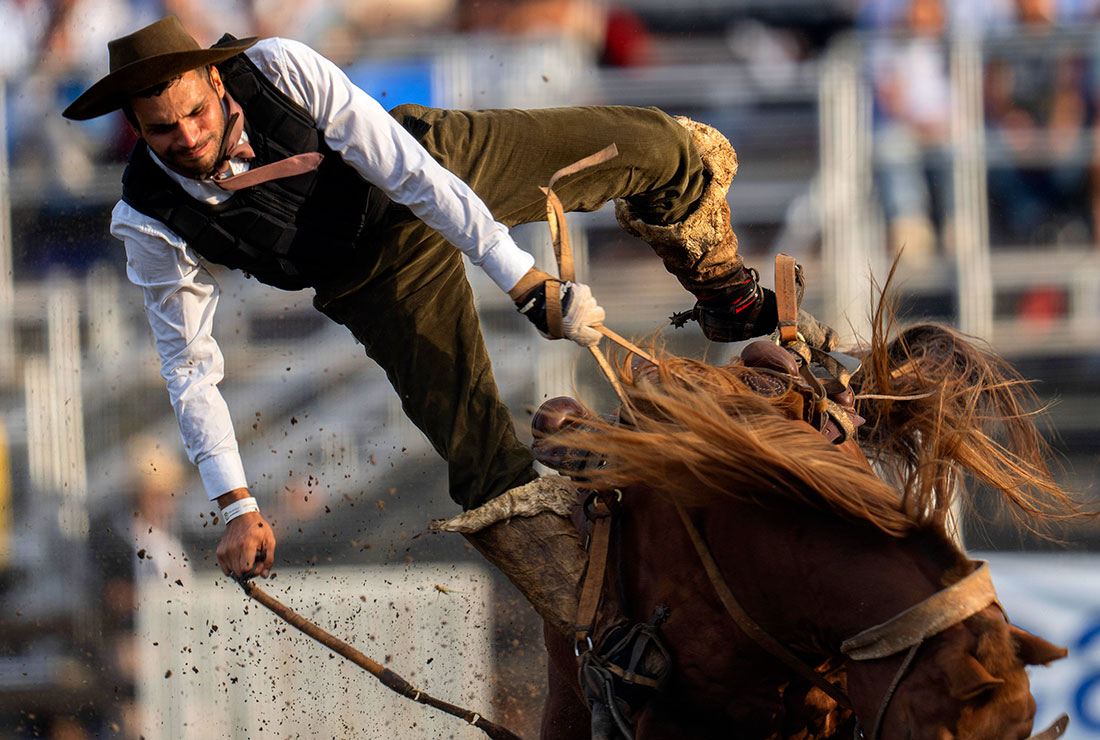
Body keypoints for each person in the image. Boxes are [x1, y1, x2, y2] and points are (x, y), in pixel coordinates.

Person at [61, 15, 836, 638]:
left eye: (195, 112)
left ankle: (723, 291)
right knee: (488, 472)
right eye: (164, 131)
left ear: (215, 79)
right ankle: (614, 639)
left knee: (658, 147)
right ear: (135, 126)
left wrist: (525, 280)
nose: (188, 137)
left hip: (424, 171)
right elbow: (189, 368)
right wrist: (235, 504)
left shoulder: (278, 66)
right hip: (371, 277)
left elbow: (405, 171)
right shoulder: (148, 220)